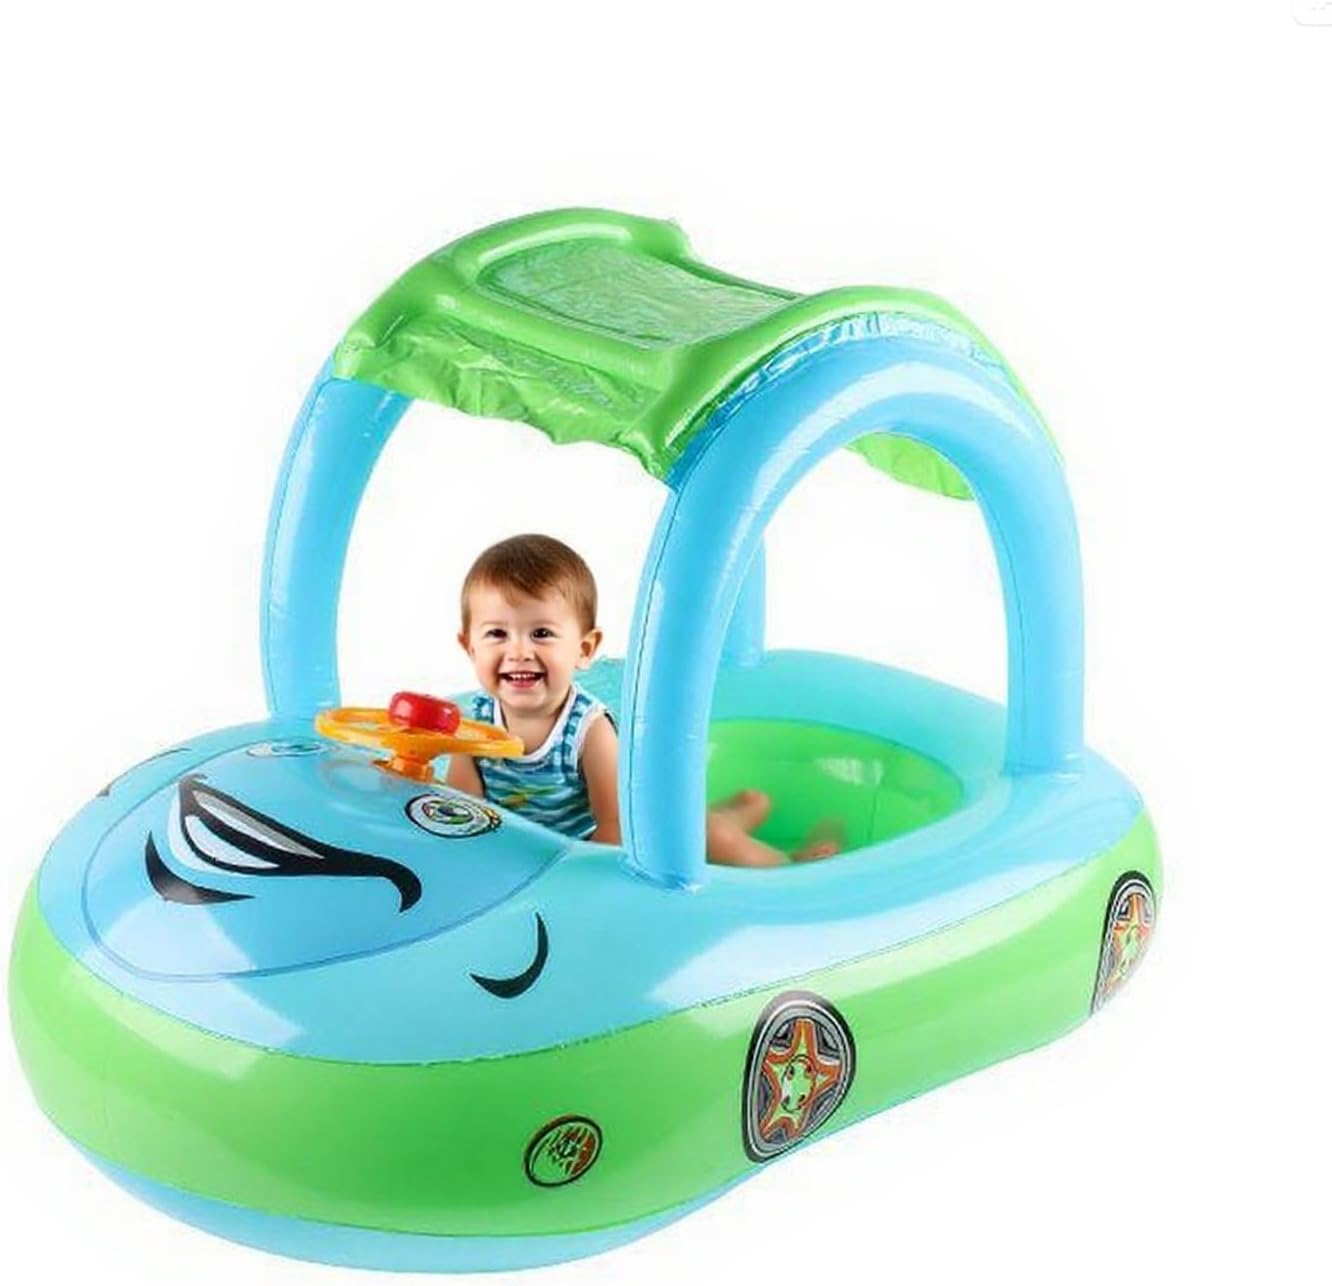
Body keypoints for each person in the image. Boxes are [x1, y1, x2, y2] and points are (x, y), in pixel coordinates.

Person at [447, 534, 840, 866]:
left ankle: (789, 863)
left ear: (584, 649)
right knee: (700, 828)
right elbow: (465, 812)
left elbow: (616, 827)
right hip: (533, 858)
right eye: (497, 634)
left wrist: (563, 880)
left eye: (542, 634)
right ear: (469, 647)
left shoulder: (588, 731)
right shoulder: (474, 726)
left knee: (708, 838)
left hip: (616, 837)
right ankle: (740, 809)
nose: (518, 651)